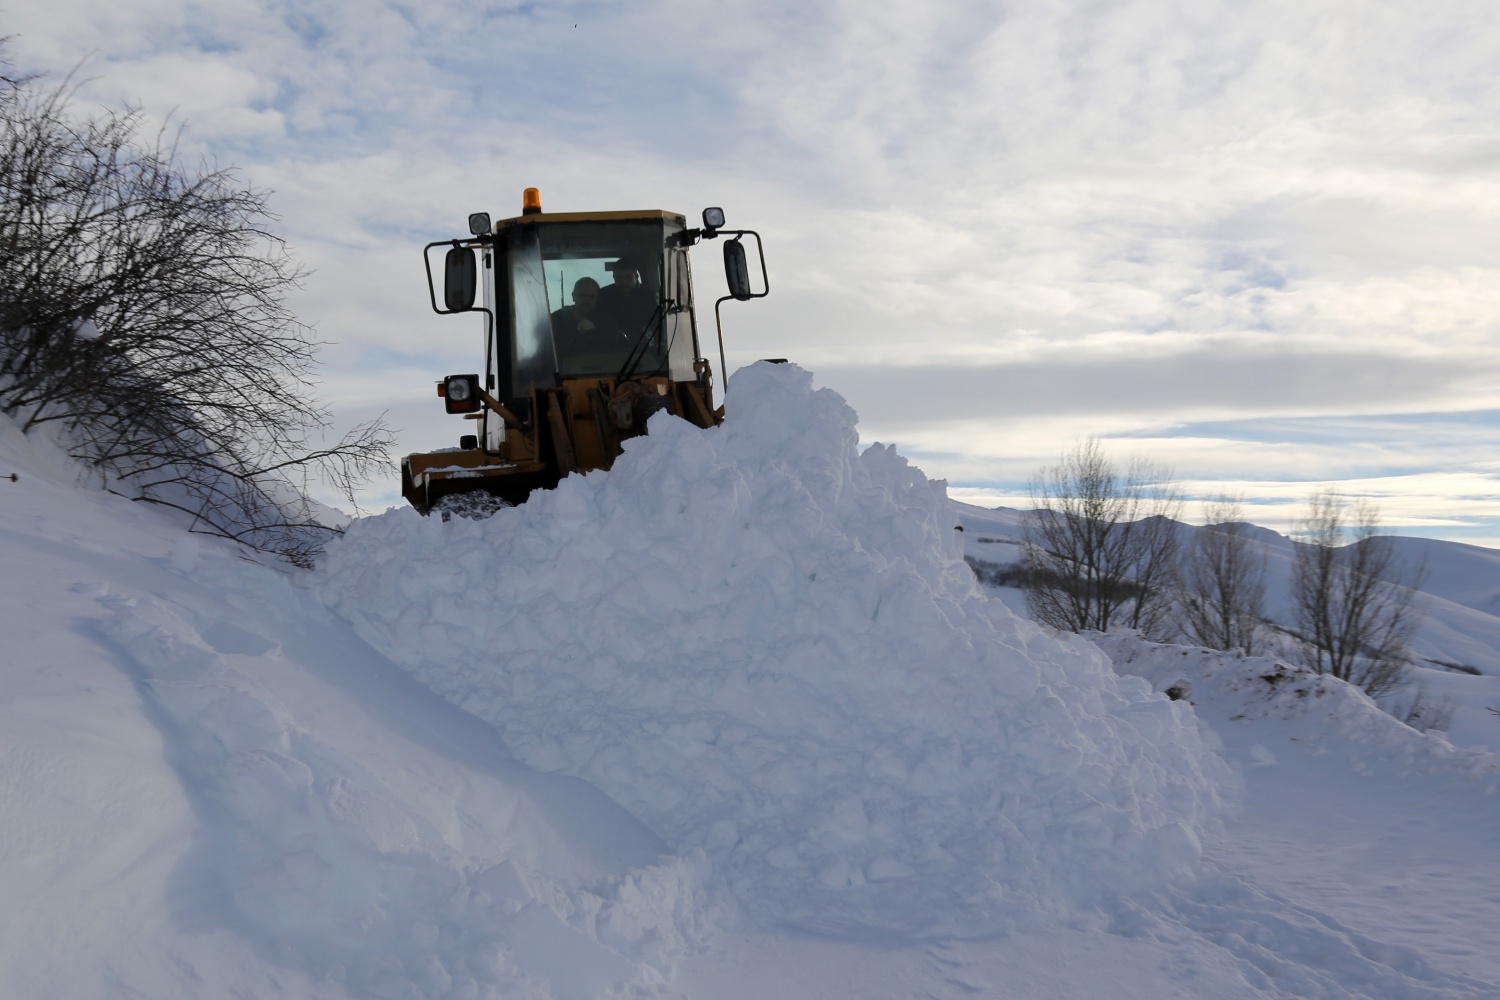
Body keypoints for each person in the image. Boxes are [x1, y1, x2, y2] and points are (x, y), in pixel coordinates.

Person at [597, 256, 657, 338]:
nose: (624, 282)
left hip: (643, 347)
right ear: (613, 277)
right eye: (619, 278)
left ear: (636, 276)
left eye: (628, 277)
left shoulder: (650, 298)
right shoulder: (603, 296)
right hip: (608, 346)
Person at [551, 277, 612, 357]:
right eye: (582, 295)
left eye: (591, 296)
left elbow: (613, 349)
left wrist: (594, 334)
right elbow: (547, 350)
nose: (587, 301)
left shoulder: (606, 323)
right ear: (573, 296)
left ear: (597, 299)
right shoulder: (557, 320)